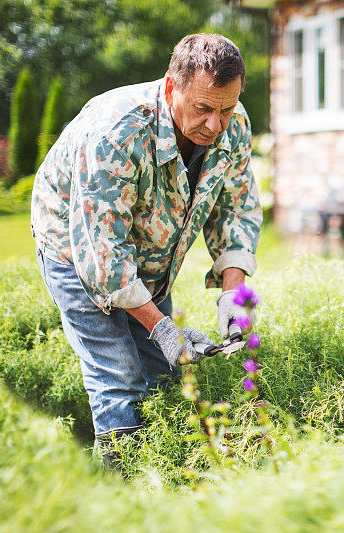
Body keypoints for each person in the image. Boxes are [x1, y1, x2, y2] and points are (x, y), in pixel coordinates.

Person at [31, 33, 262, 467]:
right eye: (204, 109)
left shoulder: (235, 123)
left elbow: (236, 208)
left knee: (163, 375)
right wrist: (164, 328)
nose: (215, 124)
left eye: (226, 109)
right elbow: (102, 255)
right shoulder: (116, 131)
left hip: (148, 250)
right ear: (172, 87)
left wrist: (234, 291)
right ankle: (119, 493)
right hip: (74, 246)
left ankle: (163, 479)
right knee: (119, 375)